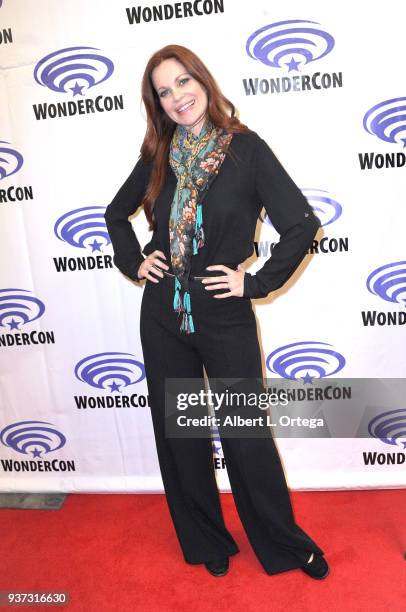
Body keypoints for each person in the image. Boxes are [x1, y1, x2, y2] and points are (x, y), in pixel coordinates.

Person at [104, 44, 329, 579]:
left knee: (245, 434)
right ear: (156, 103)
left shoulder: (245, 150)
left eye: (184, 82)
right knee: (181, 434)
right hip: (163, 312)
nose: (178, 96)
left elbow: (301, 224)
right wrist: (136, 261)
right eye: (164, 90)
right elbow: (116, 214)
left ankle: (285, 545)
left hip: (223, 310)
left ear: (202, 82)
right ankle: (206, 540)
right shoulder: (158, 155)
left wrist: (255, 282)